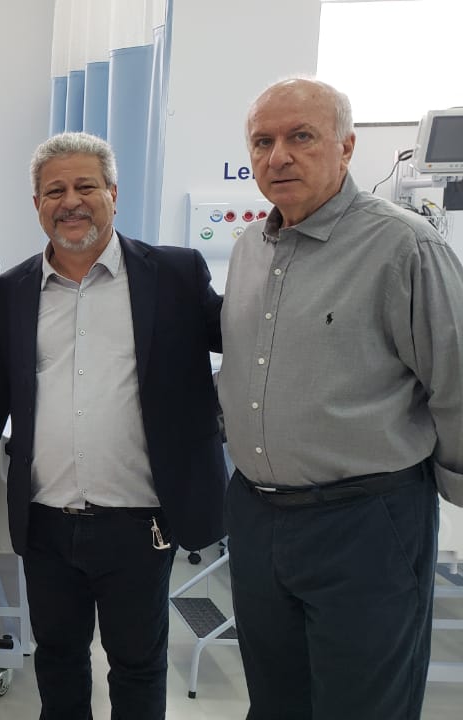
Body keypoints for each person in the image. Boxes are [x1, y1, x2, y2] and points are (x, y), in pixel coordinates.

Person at [221, 77, 463, 719]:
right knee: (276, 701)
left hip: (365, 522)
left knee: (363, 705)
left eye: (300, 136)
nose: (279, 156)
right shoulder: (249, 251)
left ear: (346, 146)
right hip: (258, 517)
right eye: (263, 142)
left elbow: (457, 379)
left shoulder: (404, 247)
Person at [0, 132, 224, 719]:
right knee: (57, 661)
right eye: (55, 191)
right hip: (46, 519)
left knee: (138, 667)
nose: (70, 201)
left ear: (114, 194)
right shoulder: (12, 290)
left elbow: (245, 342)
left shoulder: (174, 275)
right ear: (37, 204)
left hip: (140, 520)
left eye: (85, 186)